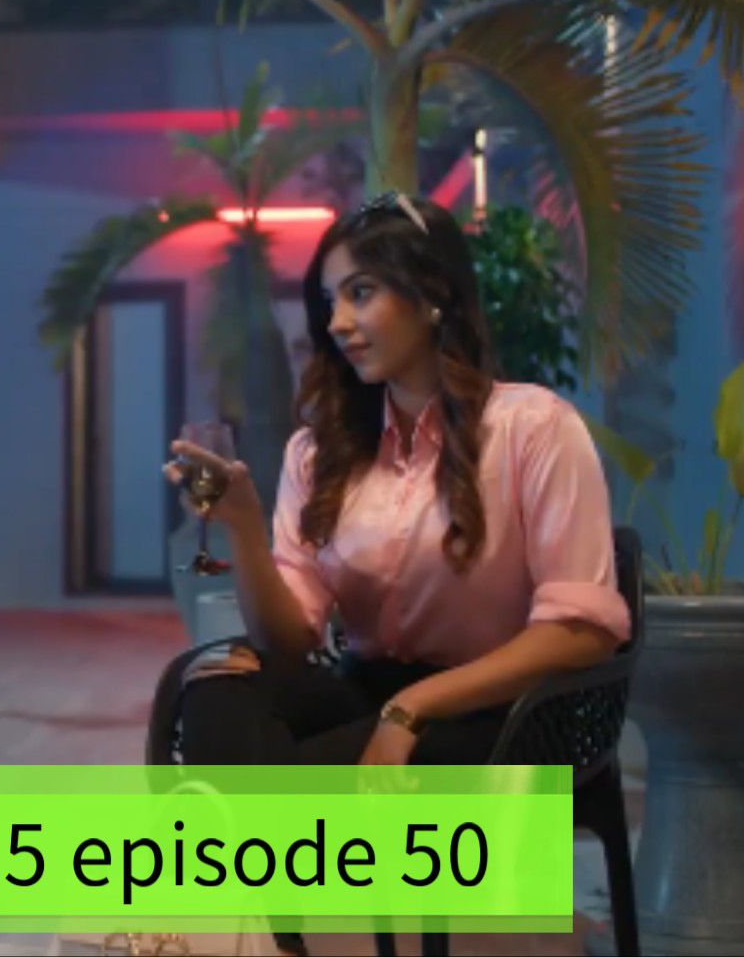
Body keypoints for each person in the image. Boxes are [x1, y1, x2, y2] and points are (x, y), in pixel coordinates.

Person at [164, 193, 630, 770]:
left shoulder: (533, 428)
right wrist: (242, 527)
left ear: (431, 294)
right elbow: (288, 642)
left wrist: (413, 708)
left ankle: (248, 821)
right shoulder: (318, 452)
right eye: (330, 301)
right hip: (365, 691)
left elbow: (583, 632)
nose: (337, 323)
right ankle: (263, 818)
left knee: (292, 772)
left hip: (501, 711)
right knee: (210, 692)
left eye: (360, 293)